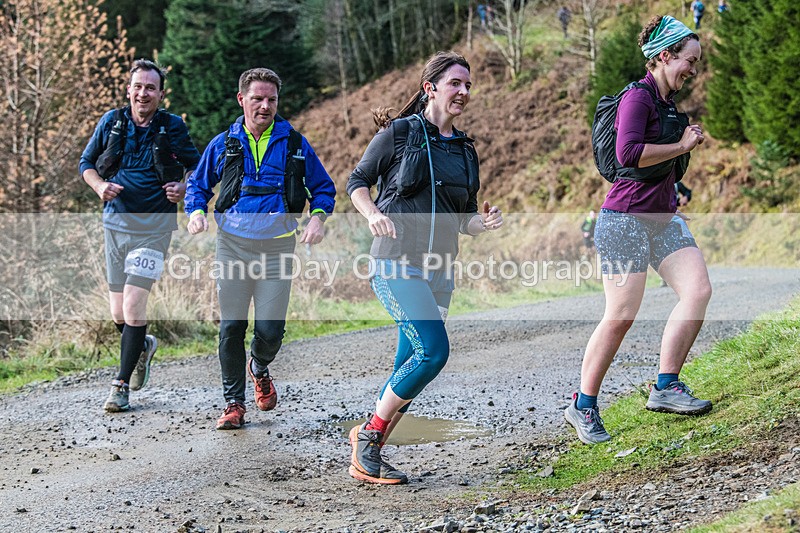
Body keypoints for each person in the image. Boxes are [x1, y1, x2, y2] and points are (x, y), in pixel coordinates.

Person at [346, 51, 504, 484]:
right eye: (456, 83)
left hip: (440, 270)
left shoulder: (465, 151)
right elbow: (357, 182)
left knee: (408, 367)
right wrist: (372, 213)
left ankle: (368, 452)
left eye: (468, 85)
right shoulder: (400, 134)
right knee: (433, 352)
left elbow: (464, 218)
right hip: (395, 262)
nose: (464, 92)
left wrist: (482, 223)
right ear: (430, 87)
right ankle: (369, 438)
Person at [565, 15, 712, 445]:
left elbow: (658, 161)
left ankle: (666, 387)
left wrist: (681, 154)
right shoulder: (638, 98)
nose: (693, 70)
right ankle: (583, 405)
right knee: (621, 316)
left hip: (664, 218)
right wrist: (683, 145)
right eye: (689, 60)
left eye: (697, 63)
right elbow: (627, 153)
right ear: (664, 56)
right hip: (624, 221)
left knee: (698, 290)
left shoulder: (668, 106)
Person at [185, 68, 335, 431]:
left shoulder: (295, 144)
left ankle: (260, 366)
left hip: (278, 248)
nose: (265, 106)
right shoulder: (223, 143)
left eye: (271, 99)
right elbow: (198, 187)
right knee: (231, 326)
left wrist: (317, 219)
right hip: (232, 245)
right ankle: (233, 403)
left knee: (271, 330)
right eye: (257, 98)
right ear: (242, 100)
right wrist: (195, 214)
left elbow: (324, 189)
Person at [80, 59, 201, 412]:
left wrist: (184, 186)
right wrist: (99, 185)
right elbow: (85, 164)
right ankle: (143, 346)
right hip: (115, 226)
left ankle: (120, 386)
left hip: (155, 228)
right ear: (129, 89)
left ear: (161, 94)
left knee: (134, 303)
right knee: (118, 312)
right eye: (138, 86)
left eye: (151, 87)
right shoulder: (111, 122)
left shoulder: (172, 126)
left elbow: (198, 167)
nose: (144, 93)